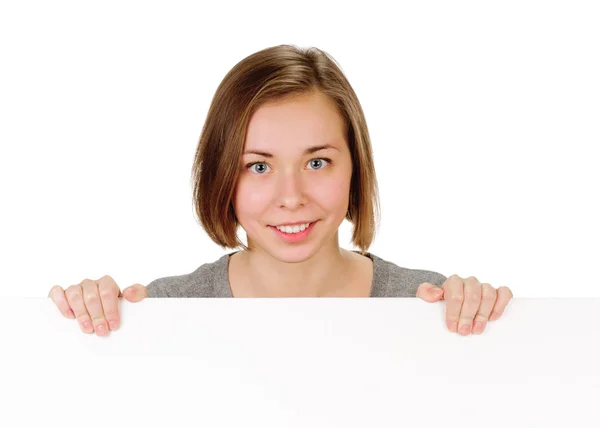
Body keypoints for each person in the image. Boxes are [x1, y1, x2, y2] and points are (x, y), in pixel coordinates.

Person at [48, 44, 514, 338]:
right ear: (221, 177)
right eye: (258, 166)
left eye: (317, 162)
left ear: (355, 167)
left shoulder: (428, 307)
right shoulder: (165, 313)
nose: (290, 196)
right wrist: (77, 326)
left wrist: (495, 328)